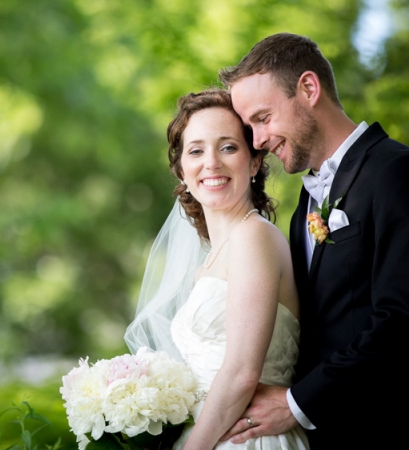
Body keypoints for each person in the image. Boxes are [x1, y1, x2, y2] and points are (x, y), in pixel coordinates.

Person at [217, 33, 409, 449]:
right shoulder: (304, 207)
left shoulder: (401, 174)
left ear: (309, 89)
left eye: (263, 118)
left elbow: (405, 322)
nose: (257, 140)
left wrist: (296, 404)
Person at [125, 88, 310, 449]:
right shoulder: (211, 259)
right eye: (196, 150)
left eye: (228, 147)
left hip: (251, 440)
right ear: (181, 170)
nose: (211, 163)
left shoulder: (254, 237)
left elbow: (241, 374)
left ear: (255, 162)